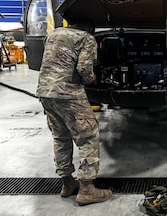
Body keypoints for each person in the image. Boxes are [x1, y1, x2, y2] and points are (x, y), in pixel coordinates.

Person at [37, 19, 112, 206]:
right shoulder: (86, 38)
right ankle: (87, 189)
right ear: (90, 28)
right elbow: (84, 69)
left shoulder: (53, 34)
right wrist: (92, 79)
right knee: (88, 135)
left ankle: (67, 183)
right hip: (68, 92)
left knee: (60, 137)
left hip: (45, 92)